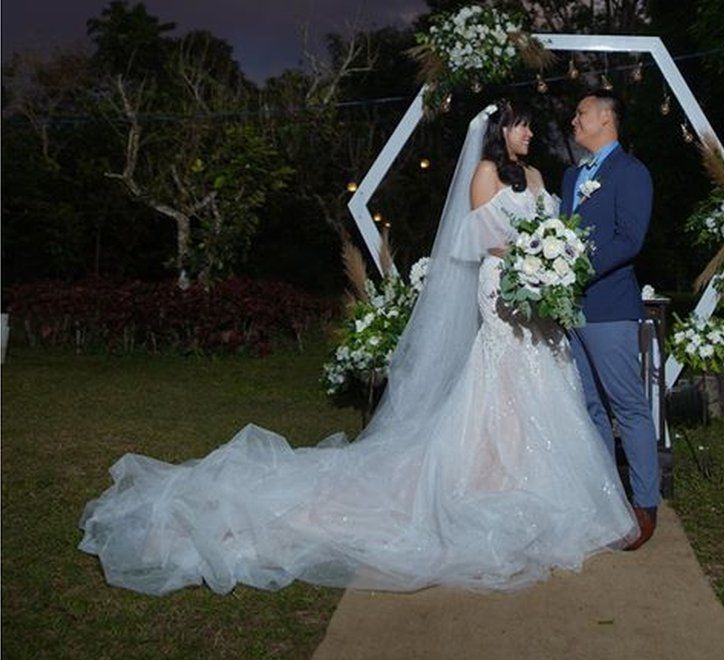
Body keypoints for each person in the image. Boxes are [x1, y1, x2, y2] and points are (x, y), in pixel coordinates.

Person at [79, 100, 638, 596]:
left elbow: (554, 227)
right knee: (501, 379)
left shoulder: (540, 174)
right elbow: (479, 238)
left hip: (538, 296)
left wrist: (551, 257)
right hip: (502, 286)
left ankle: (534, 480)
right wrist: (530, 256)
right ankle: (485, 476)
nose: (531, 135)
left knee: (543, 381)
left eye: (530, 129)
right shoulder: (485, 172)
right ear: (501, 131)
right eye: (522, 127)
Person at [561, 90, 658, 550]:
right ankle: (606, 502)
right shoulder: (570, 176)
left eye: (581, 114)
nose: (574, 121)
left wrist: (573, 269)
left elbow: (629, 239)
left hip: (609, 308)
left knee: (628, 408)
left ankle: (644, 506)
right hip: (570, 311)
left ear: (605, 118)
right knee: (589, 409)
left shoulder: (631, 173)